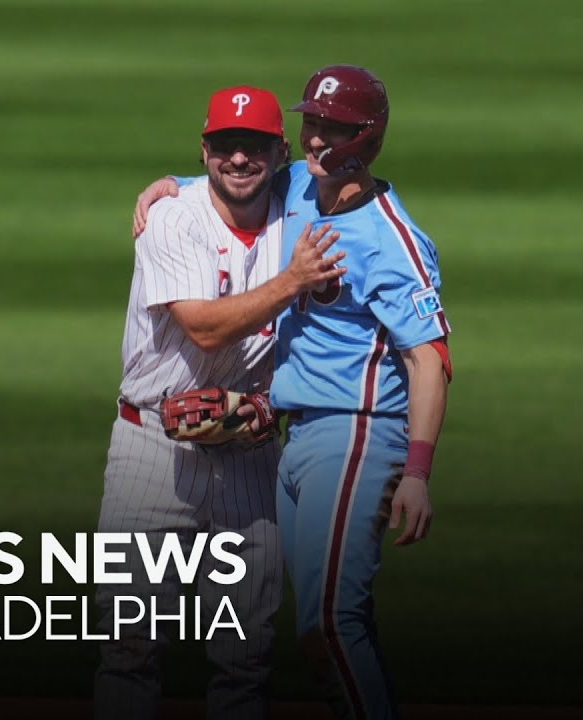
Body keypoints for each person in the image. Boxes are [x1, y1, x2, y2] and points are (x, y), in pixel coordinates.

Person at [132, 65, 453, 720]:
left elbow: (431, 357)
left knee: (331, 621)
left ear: (366, 138)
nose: (312, 140)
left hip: (357, 432)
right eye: (310, 124)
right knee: (310, 631)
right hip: (291, 437)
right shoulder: (304, 188)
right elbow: (237, 180)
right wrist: (170, 186)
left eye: (330, 129)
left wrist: (417, 473)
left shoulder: (394, 241)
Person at [94, 84, 347, 720]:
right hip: (152, 449)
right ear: (206, 149)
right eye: (225, 146)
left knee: (246, 655)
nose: (239, 159)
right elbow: (204, 327)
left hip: (249, 457)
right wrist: (292, 282)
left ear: (279, 152)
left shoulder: (296, 203)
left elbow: (356, 181)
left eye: (254, 146)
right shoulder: (173, 218)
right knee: (128, 644)